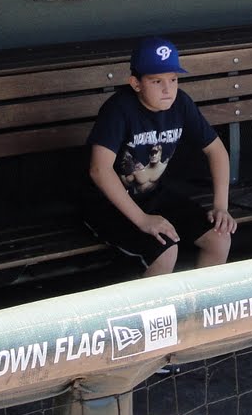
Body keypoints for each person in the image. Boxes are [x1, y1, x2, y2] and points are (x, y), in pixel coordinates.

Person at [82, 38, 236, 276]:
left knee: (219, 237)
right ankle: (154, 314)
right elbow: (99, 170)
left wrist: (221, 207)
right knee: (165, 250)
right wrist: (143, 220)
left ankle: (197, 310)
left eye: (173, 79)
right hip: (108, 204)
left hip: (152, 195)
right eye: (156, 81)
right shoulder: (119, 109)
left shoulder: (180, 103)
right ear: (136, 83)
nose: (168, 89)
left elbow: (216, 150)